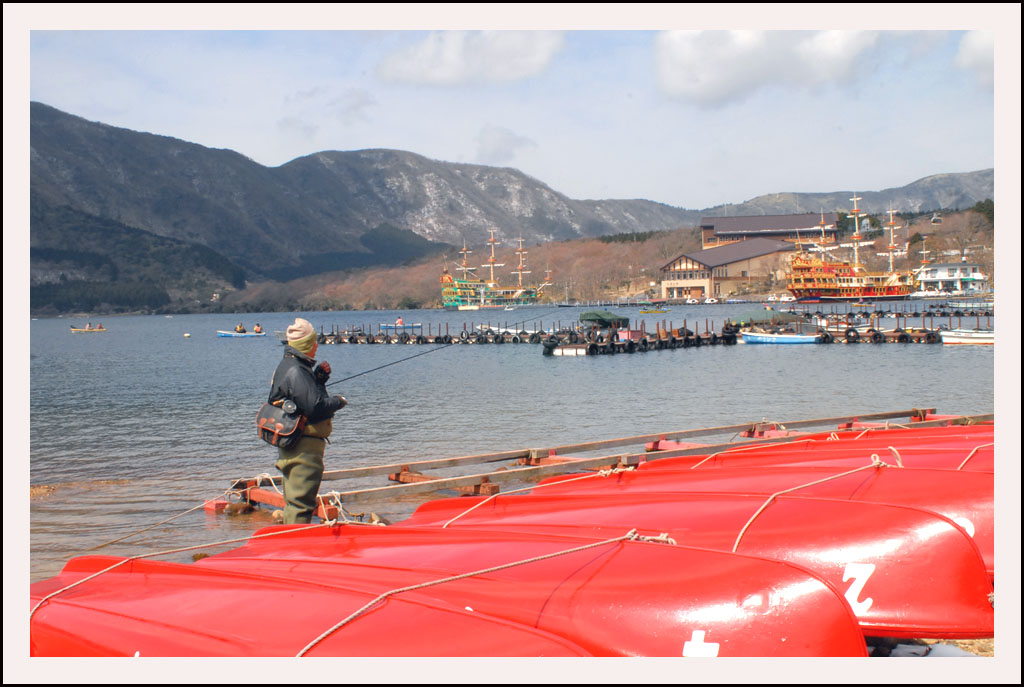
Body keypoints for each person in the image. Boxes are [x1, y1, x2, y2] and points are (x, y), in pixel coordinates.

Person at [267, 318, 346, 524]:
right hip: (303, 449)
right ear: (305, 345)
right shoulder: (296, 370)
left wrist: (319, 380)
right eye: (314, 342)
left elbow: (304, 400)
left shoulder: (292, 366)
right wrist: (339, 401)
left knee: (297, 500)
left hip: (297, 445)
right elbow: (316, 408)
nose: (317, 345)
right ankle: (295, 546)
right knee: (301, 504)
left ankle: (292, 543)